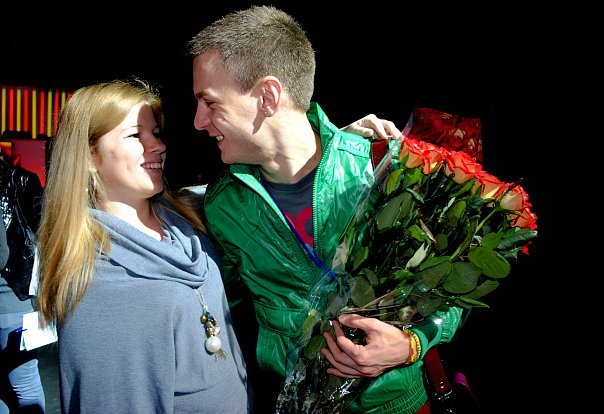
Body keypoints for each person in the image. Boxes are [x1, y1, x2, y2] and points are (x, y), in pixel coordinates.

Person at [188, 6, 463, 413]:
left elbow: (454, 289)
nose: (198, 121)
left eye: (209, 103)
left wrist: (411, 344)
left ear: (267, 96)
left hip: (403, 405)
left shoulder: (382, 168)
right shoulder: (223, 205)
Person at [35, 79, 252, 414]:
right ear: (89, 156)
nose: (158, 146)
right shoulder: (99, 289)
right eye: (136, 135)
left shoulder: (184, 217)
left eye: (156, 133)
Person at [0, 157, 46, 414]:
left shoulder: (22, 181)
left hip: (14, 298)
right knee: (22, 384)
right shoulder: (23, 179)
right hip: (16, 300)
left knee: (23, 383)